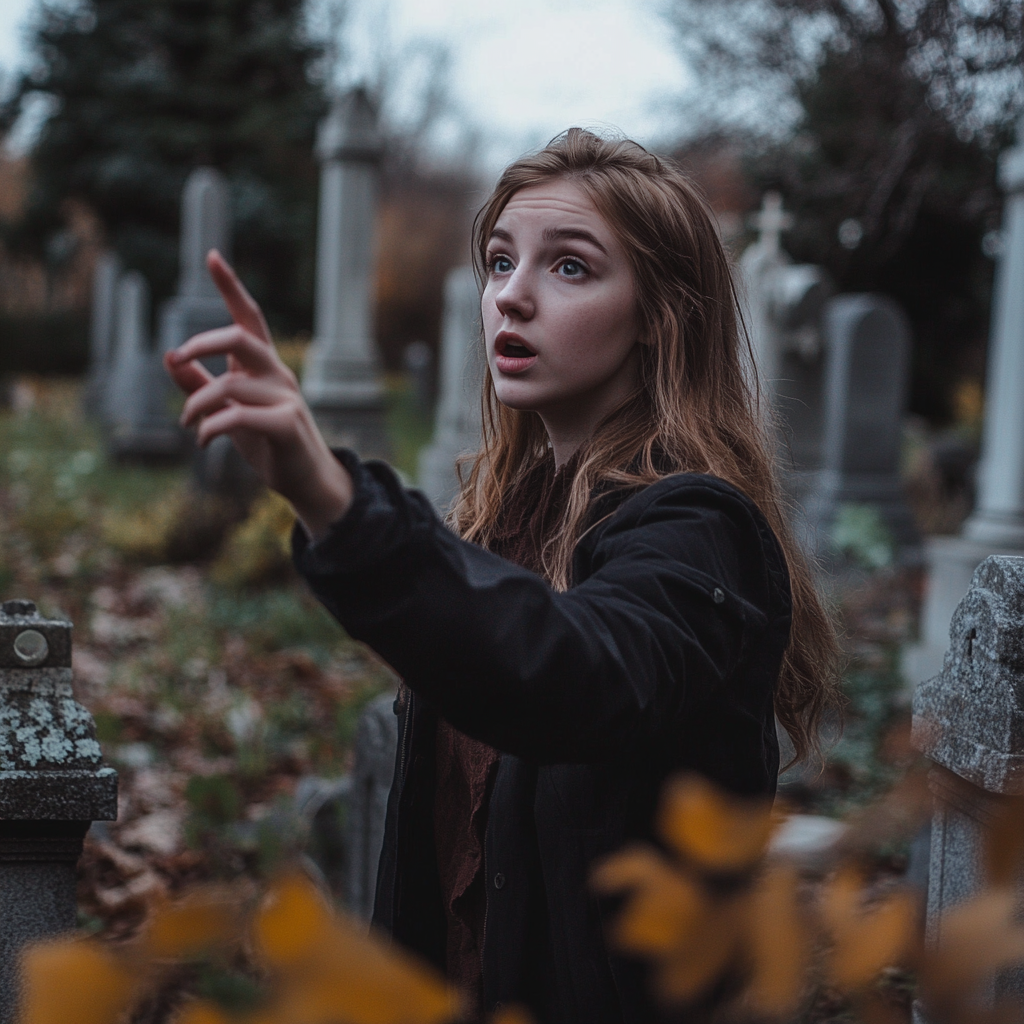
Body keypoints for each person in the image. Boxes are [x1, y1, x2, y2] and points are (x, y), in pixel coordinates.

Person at [165, 128, 840, 1024]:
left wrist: (333, 495)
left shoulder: (701, 531)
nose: (510, 297)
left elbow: (572, 674)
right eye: (498, 261)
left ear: (660, 316)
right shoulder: (502, 516)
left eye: (569, 268)